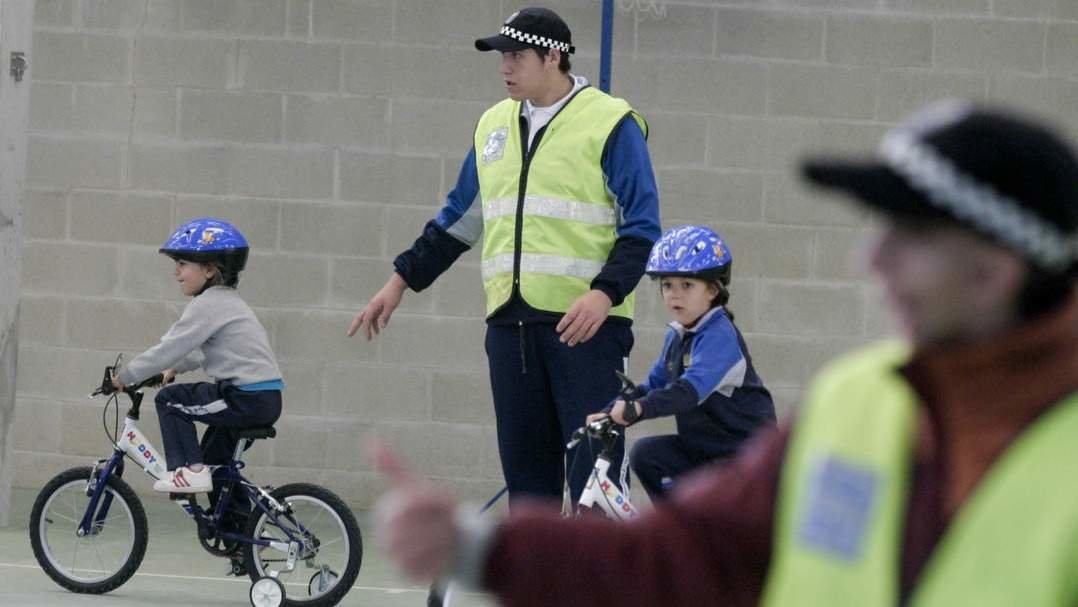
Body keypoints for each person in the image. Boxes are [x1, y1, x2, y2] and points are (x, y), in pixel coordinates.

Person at [372, 100, 1078, 607]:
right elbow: (691, 553)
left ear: (995, 269)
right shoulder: (855, 399)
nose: (874, 258)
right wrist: (484, 549)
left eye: (909, 235)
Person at [348, 7, 660, 504]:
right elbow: (459, 219)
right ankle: (535, 583)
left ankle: (597, 582)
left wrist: (604, 294)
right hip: (509, 331)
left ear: (552, 56)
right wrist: (399, 280)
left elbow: (642, 227)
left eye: (516, 55)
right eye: (502, 56)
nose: (505, 67)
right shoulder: (492, 126)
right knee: (527, 485)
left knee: (594, 480)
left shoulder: (610, 123)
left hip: (587, 331)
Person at [587, 224, 774, 500]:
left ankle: (690, 535)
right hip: (704, 451)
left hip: (746, 458)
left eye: (687, 285)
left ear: (713, 290)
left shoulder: (719, 336)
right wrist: (609, 412)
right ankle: (679, 534)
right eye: (667, 285)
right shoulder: (679, 336)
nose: (675, 293)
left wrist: (638, 409)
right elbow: (653, 385)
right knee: (647, 455)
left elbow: (688, 392)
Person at [111, 217, 283, 495]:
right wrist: (173, 370)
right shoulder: (226, 302)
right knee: (217, 466)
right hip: (262, 398)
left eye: (182, 264)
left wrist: (124, 377)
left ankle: (188, 472)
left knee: (170, 401)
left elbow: (169, 348)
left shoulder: (207, 305)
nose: (176, 273)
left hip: (244, 397)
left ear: (209, 270)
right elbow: (201, 351)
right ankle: (240, 533)